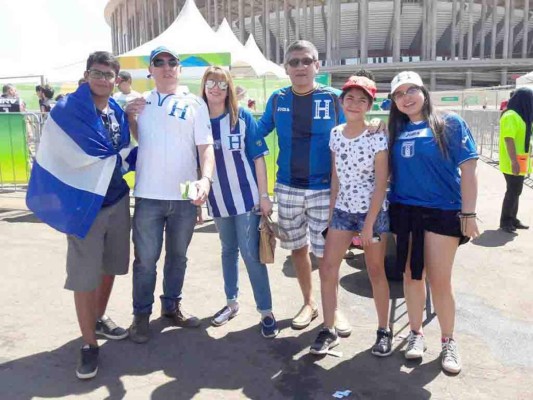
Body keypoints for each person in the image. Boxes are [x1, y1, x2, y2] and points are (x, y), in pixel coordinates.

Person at [26, 51, 134, 380]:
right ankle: (88, 344)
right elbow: (59, 154)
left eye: (108, 74)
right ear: (87, 75)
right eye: (97, 73)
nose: (102, 79)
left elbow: (120, 150)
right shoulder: (66, 110)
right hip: (84, 206)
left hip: (117, 201)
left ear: (116, 80)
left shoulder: (116, 109)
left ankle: (98, 319)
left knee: (111, 266)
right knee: (84, 277)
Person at [257, 40, 352, 336]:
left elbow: (358, 130)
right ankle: (309, 303)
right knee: (298, 249)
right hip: (287, 188)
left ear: (317, 66)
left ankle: (332, 308)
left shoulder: (336, 99)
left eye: (306, 61)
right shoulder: (277, 99)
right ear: (286, 68)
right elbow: (255, 134)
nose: (300, 66)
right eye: (294, 62)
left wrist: (375, 128)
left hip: (325, 189)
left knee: (327, 255)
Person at [387, 71, 479, 374]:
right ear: (394, 102)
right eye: (399, 94)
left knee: (440, 280)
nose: (406, 97)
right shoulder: (394, 130)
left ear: (424, 91)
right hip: (405, 211)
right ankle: (415, 334)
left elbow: (468, 169)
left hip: (442, 212)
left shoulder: (449, 123)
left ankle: (448, 340)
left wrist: (469, 213)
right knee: (412, 276)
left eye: (412, 89)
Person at [125, 46, 215, 343]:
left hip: (184, 193)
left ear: (179, 68)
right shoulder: (139, 102)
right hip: (148, 194)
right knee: (146, 260)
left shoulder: (195, 104)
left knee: (178, 257)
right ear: (150, 69)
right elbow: (141, 139)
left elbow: (205, 146)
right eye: (159, 62)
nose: (166, 67)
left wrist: (205, 179)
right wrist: (131, 119)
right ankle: (141, 316)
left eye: (172, 62)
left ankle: (171, 307)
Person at [310, 75, 391, 356]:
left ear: (369, 104)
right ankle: (328, 328)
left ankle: (383, 330)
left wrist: (369, 225)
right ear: (341, 101)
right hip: (343, 212)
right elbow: (336, 179)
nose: (354, 103)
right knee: (327, 268)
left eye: (362, 99)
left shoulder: (378, 134)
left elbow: (381, 184)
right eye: (350, 98)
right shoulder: (335, 133)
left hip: (373, 214)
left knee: (376, 271)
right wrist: (332, 217)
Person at [200, 66, 279, 338]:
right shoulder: (198, 120)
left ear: (229, 88)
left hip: (247, 201)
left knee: (251, 254)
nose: (215, 88)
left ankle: (266, 311)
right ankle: (231, 303)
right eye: (210, 82)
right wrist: (195, 200)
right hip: (218, 202)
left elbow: (258, 158)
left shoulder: (241, 116)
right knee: (227, 251)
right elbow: (192, 162)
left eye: (222, 84)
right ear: (204, 86)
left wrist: (264, 196)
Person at [498, 87, 532, 233]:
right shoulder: (510, 115)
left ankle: (513, 218)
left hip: (521, 159)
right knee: (512, 191)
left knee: (516, 190)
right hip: (512, 161)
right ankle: (505, 221)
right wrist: (514, 161)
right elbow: (509, 139)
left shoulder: (523, 116)